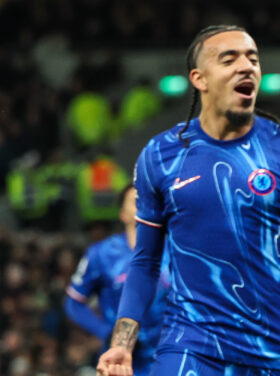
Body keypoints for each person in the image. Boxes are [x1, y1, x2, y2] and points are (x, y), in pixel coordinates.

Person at [97, 25, 280, 375]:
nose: (246, 66)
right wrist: (122, 346)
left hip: (270, 350)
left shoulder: (276, 147)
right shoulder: (161, 155)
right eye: (229, 59)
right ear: (200, 79)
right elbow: (146, 260)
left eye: (253, 58)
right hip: (191, 346)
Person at [65, 185, 169, 376]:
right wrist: (107, 332)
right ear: (123, 214)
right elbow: (74, 303)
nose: (143, 204)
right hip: (123, 362)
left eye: (147, 199)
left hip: (169, 356)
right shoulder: (101, 254)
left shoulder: (175, 250)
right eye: (135, 201)